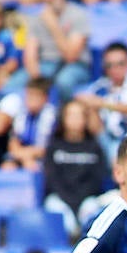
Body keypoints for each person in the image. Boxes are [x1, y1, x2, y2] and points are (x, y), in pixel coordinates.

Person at [43, 98, 111, 238]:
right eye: (71, 115)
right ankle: (71, 238)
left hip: (88, 199)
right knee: (53, 206)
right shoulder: (54, 146)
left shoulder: (95, 146)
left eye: (79, 115)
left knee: (93, 208)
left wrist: (81, 200)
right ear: (63, 118)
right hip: (61, 199)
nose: (75, 119)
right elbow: (51, 179)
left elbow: (98, 177)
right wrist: (68, 201)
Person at [20, 0, 91, 101]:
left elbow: (71, 56)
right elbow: (30, 56)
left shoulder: (78, 14)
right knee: (14, 84)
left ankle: (63, 119)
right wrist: (37, 80)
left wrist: (53, 25)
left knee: (63, 82)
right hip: (45, 64)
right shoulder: (35, 17)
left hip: (75, 66)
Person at [77, 42, 127, 160]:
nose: (115, 69)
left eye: (120, 64)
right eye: (109, 65)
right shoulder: (99, 87)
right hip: (104, 138)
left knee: (118, 151)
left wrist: (102, 103)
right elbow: (83, 99)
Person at [1, 76, 57, 172]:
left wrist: (28, 155)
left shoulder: (53, 117)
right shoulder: (20, 113)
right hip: (23, 155)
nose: (31, 100)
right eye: (29, 95)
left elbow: (51, 147)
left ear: (45, 98)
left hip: (44, 156)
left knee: (32, 167)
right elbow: (13, 142)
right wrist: (24, 157)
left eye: (36, 96)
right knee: (7, 167)